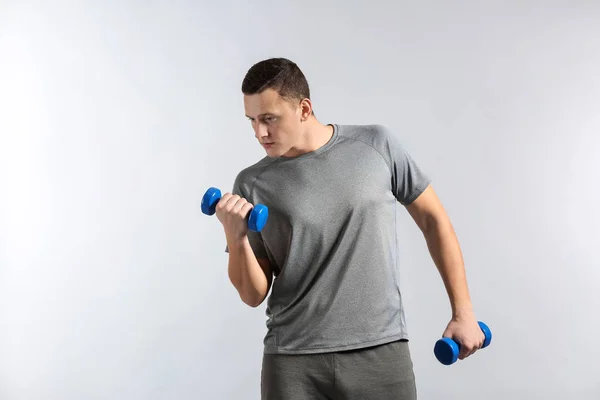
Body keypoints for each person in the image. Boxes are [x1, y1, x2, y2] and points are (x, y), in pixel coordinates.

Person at [217, 57, 485, 399]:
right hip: (292, 362)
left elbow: (434, 222)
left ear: (304, 108)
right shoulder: (252, 182)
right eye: (251, 121)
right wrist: (235, 237)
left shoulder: (376, 146)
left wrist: (463, 312)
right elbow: (253, 294)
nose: (259, 133)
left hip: (379, 353)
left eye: (269, 119)